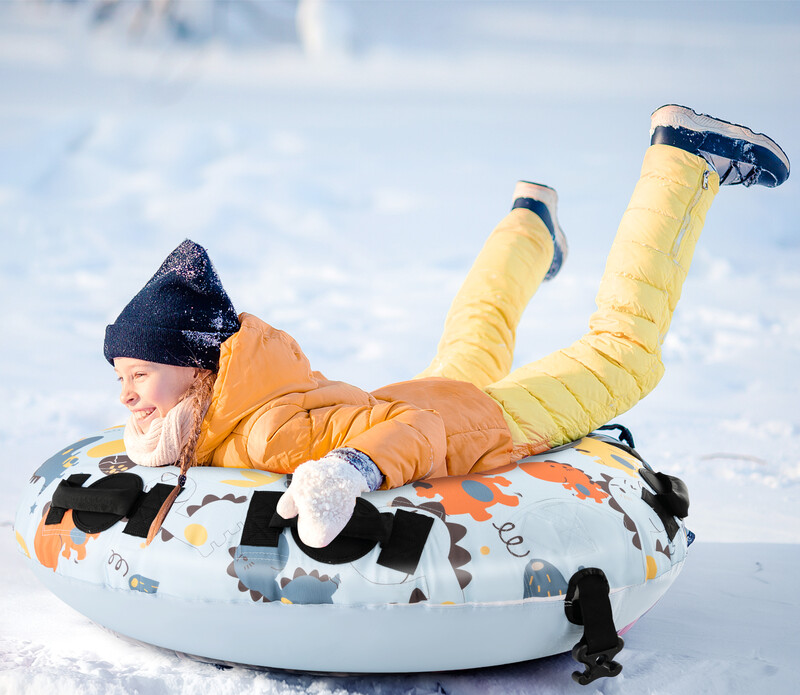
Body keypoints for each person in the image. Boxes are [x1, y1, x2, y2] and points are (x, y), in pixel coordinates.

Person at [105, 104, 790, 549]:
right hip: (426, 392)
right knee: (477, 334)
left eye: (141, 375)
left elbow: (420, 436)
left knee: (623, 347)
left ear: (198, 370)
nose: (129, 396)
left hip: (481, 420)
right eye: (122, 379)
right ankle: (530, 226)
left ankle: (685, 162)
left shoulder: (265, 431)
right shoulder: (235, 406)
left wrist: (347, 470)